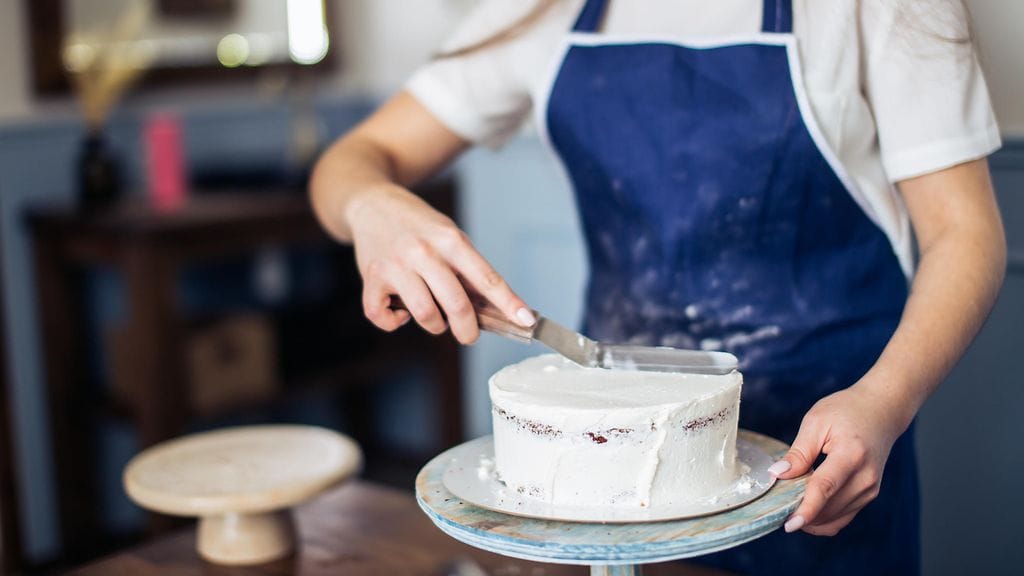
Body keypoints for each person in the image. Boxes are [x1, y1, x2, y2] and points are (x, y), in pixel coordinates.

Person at [310, 0, 1006, 573]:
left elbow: (965, 236)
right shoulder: (536, 12)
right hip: (610, 487)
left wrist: (883, 402)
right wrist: (371, 205)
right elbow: (350, 163)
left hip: (824, 464)